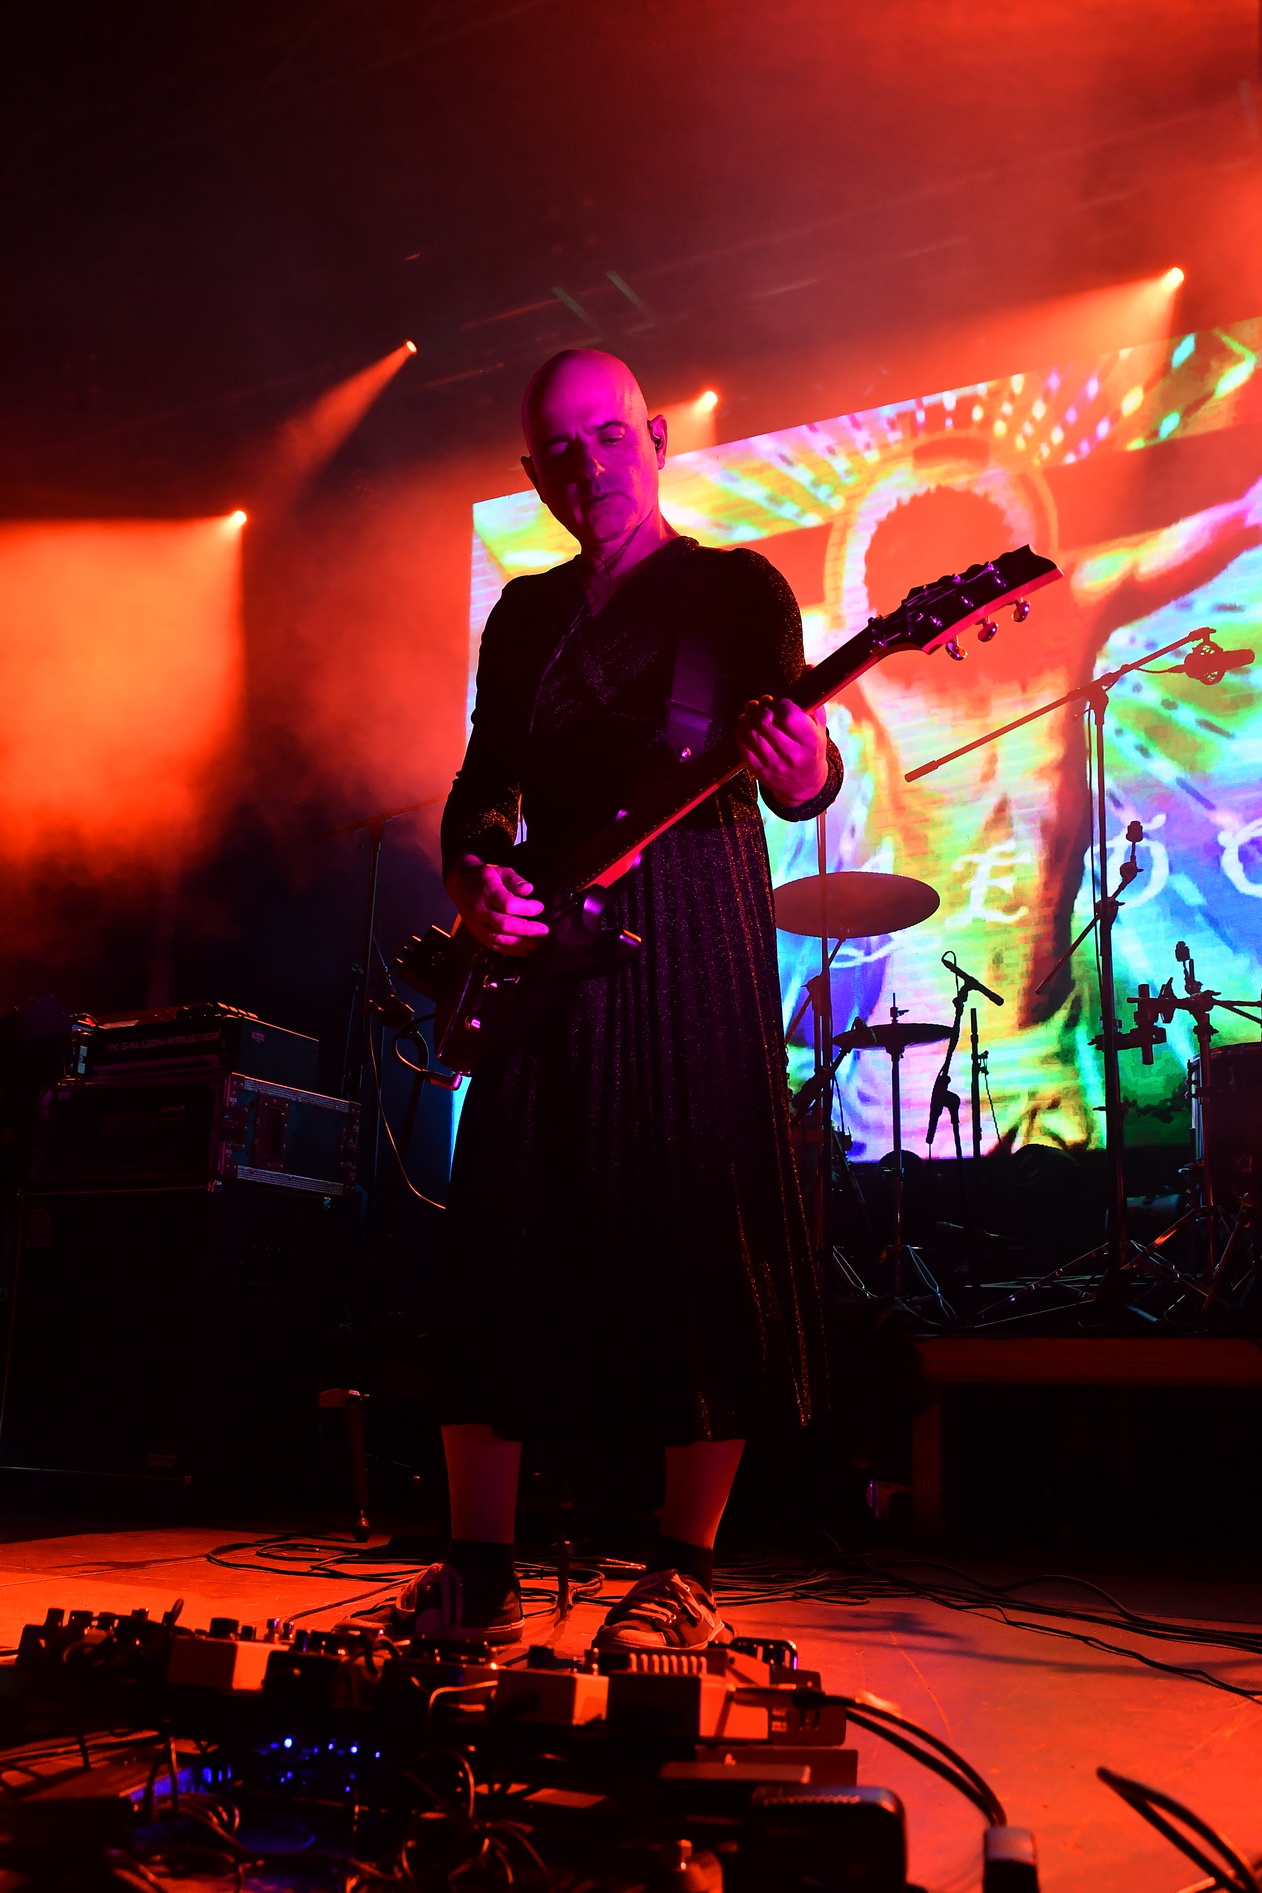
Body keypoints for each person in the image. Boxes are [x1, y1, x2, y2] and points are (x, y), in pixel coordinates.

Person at [397, 348, 842, 1652]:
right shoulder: (522, 615)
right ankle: (480, 1567)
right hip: (546, 951)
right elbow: (484, 782)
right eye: (558, 449)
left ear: (653, 438)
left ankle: (680, 1573)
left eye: (605, 436)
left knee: (700, 1231)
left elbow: (798, 774)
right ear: (533, 474)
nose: (585, 465)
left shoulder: (734, 590)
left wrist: (807, 771)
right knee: (497, 1236)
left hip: (689, 935)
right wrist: (475, 875)